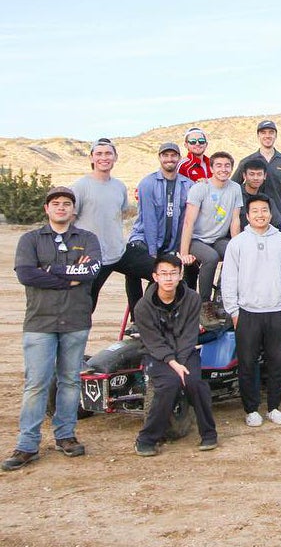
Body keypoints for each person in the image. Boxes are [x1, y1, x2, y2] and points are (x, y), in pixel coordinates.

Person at [4, 187, 101, 471]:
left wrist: (50, 271)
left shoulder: (87, 239)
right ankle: (27, 444)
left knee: (70, 380)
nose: (61, 208)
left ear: (73, 210)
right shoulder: (30, 239)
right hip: (40, 321)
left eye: (67, 204)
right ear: (47, 209)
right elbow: (26, 273)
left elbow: (91, 271)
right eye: (55, 203)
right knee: (36, 383)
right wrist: (67, 275)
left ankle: (65, 435)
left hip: (75, 320)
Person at [221, 194, 281, 427]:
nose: (260, 215)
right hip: (247, 313)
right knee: (247, 362)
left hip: (277, 311)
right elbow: (229, 279)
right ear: (247, 215)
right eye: (255, 211)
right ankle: (251, 409)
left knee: (276, 361)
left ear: (271, 213)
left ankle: (274, 407)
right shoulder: (237, 243)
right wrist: (234, 311)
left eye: (264, 210)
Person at [133, 254, 217, 456]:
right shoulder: (143, 307)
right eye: (164, 274)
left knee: (195, 382)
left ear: (180, 276)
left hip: (186, 352)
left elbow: (189, 335)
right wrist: (173, 363)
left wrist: (181, 362)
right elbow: (153, 342)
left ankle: (209, 434)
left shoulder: (192, 299)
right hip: (158, 355)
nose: (168, 278)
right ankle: (146, 439)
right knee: (168, 385)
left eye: (173, 273)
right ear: (155, 277)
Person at [123, 142, 193, 318]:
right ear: (160, 157)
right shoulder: (148, 183)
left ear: (179, 158)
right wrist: (153, 252)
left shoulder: (188, 185)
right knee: (136, 270)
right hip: (144, 239)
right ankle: (137, 316)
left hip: (170, 242)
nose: (169, 159)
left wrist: (178, 248)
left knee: (171, 272)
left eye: (173, 155)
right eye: (165, 155)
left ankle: (160, 314)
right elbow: (149, 220)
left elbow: (185, 219)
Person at [71, 138, 142, 312]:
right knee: (85, 306)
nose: (104, 157)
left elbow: (122, 214)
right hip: (92, 256)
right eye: (99, 154)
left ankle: (140, 322)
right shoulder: (80, 186)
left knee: (159, 272)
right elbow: (68, 221)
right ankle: (76, 337)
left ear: (115, 157)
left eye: (108, 153)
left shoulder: (119, 186)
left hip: (119, 252)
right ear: (91, 158)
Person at [178, 151, 243, 327]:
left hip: (218, 238)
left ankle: (224, 300)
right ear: (212, 168)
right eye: (219, 165)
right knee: (211, 257)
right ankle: (204, 305)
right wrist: (184, 252)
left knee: (233, 253)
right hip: (197, 239)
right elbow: (188, 222)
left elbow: (235, 220)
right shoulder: (200, 188)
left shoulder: (235, 188)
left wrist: (238, 247)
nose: (223, 169)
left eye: (227, 165)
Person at [234, 120, 281, 237]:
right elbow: (233, 187)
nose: (267, 135)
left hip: (277, 217)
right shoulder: (247, 161)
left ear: (276, 135)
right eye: (263, 132)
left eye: (271, 132)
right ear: (258, 136)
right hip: (252, 219)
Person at [238, 158, 281, 233]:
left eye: (259, 174)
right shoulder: (234, 194)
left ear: (265, 176)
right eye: (251, 174)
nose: (255, 178)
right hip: (233, 239)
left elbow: (280, 224)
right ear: (244, 176)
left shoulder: (266, 200)